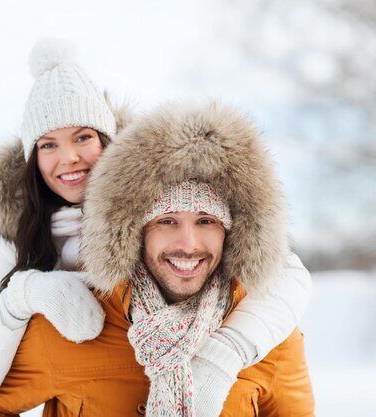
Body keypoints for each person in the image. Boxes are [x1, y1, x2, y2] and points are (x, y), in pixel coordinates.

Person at [0, 39, 312, 416]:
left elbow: (287, 274)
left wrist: (223, 354)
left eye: (84, 137)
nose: (70, 157)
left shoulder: (161, 179)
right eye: (48, 145)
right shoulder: (19, 238)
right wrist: (24, 293)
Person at [80, 102, 315, 416]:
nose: (188, 245)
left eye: (206, 221)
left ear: (231, 233)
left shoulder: (270, 336)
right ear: (136, 233)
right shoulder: (83, 325)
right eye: (166, 222)